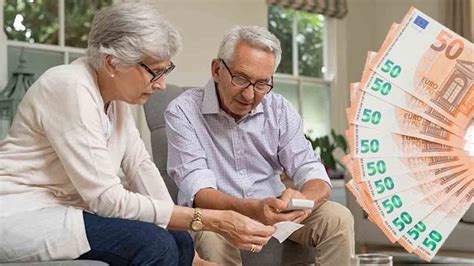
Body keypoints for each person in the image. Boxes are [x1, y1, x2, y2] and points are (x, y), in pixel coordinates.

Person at [0, 4, 275, 265]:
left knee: (178, 239)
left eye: (166, 70)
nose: (162, 84)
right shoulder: (68, 87)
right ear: (111, 63)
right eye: (155, 72)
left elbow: (140, 166)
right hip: (22, 213)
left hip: (68, 211)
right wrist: (212, 220)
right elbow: (107, 200)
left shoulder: (115, 99)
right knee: (154, 244)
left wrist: (193, 254)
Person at [165, 25, 355, 265]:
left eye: (262, 84)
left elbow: (310, 168)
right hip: (218, 218)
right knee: (212, 236)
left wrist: (303, 200)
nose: (249, 95)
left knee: (337, 218)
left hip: (275, 211)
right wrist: (254, 209)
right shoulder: (182, 112)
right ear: (216, 69)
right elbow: (200, 193)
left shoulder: (278, 109)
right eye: (241, 79)